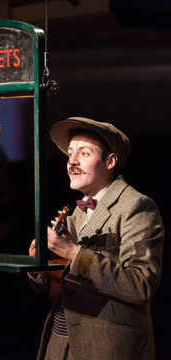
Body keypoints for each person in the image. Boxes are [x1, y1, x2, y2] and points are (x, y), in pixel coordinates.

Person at [28, 117, 164, 360]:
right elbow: (66, 285)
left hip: (107, 347)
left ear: (110, 161)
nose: (72, 161)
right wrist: (41, 271)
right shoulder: (75, 212)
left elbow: (141, 284)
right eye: (70, 153)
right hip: (60, 344)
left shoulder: (137, 206)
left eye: (84, 153)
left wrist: (75, 253)